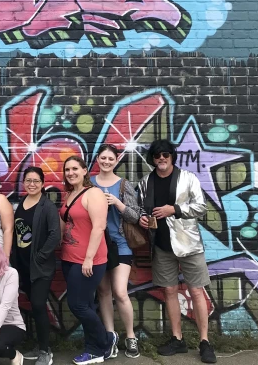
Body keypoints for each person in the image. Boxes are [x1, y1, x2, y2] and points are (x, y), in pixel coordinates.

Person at [137, 139, 216, 363]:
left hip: (188, 244)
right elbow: (141, 208)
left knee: (197, 291)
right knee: (170, 291)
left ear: (172, 156)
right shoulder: (146, 182)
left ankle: (204, 341)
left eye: (166, 154)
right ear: (152, 159)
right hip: (161, 245)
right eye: (157, 155)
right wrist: (142, 218)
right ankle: (177, 339)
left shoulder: (188, 178)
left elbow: (201, 207)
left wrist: (175, 209)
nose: (161, 158)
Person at [59, 156, 114, 365]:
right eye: (67, 170)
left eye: (75, 168)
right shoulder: (70, 194)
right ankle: (94, 349)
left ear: (84, 171)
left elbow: (99, 227)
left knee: (77, 305)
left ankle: (106, 340)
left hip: (88, 260)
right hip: (69, 258)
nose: (70, 173)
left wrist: (89, 258)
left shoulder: (94, 193)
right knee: (87, 304)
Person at [90, 145, 142, 359]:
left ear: (116, 160)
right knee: (103, 292)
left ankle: (131, 336)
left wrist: (117, 203)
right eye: (103, 158)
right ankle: (110, 336)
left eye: (110, 158)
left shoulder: (123, 185)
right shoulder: (89, 183)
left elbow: (136, 216)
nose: (106, 162)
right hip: (97, 245)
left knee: (120, 292)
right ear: (97, 159)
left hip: (120, 244)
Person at [11, 167, 60, 365]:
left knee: (39, 305)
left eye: (36, 181)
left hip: (40, 267)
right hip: (24, 266)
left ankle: (45, 351)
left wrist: (40, 256)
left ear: (42, 183)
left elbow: (55, 235)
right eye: (28, 180)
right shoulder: (22, 203)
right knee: (34, 305)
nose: (32, 184)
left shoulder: (47, 206)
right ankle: (40, 346)